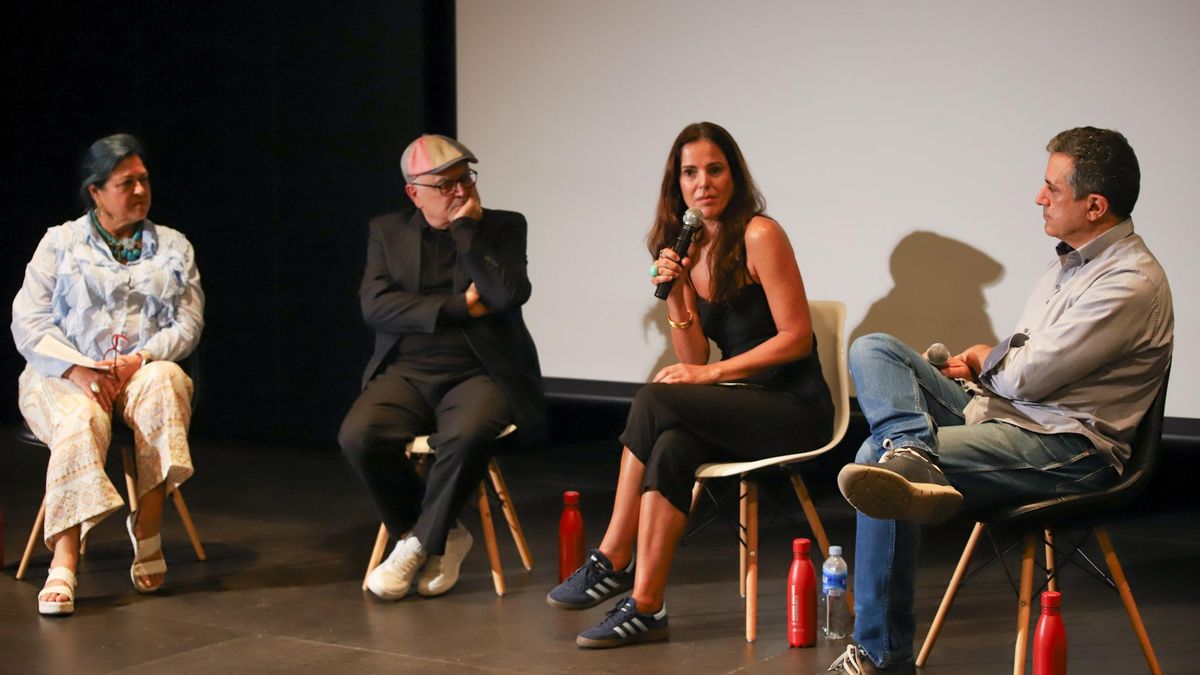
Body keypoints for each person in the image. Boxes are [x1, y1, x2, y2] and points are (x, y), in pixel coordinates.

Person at [825, 127, 1173, 674]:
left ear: (1095, 205)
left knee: (876, 463)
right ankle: (912, 449)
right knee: (875, 349)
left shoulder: (1128, 281)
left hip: (1067, 448)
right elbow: (1030, 362)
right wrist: (982, 369)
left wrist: (988, 357)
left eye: (1052, 188)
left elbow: (1030, 375)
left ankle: (881, 655)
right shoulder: (1068, 265)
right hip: (1011, 415)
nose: (1039, 197)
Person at [547, 121, 835, 648]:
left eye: (715, 169)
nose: (703, 182)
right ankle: (648, 606)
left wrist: (710, 376)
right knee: (673, 445)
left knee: (656, 397)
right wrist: (678, 292)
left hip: (795, 408)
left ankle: (612, 553)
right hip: (743, 405)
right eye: (690, 172)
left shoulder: (759, 234)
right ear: (676, 185)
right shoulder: (687, 245)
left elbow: (795, 338)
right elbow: (693, 352)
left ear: (734, 175)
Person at [339, 133, 545, 601]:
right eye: (446, 185)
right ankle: (445, 534)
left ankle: (413, 546)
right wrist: (456, 307)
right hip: (407, 371)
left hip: (481, 370)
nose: (461, 192)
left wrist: (466, 233)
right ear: (414, 192)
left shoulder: (503, 227)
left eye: (465, 179)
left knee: (468, 433)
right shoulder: (387, 231)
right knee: (358, 435)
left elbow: (507, 295)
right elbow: (376, 306)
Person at [11, 133, 204, 616]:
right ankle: (64, 561)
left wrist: (141, 359)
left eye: (143, 180)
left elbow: (188, 322)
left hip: (137, 371)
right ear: (96, 192)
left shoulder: (174, 247)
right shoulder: (60, 244)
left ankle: (148, 527)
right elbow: (27, 322)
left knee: (167, 382)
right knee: (80, 416)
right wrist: (77, 367)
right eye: (125, 183)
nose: (139, 190)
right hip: (61, 375)